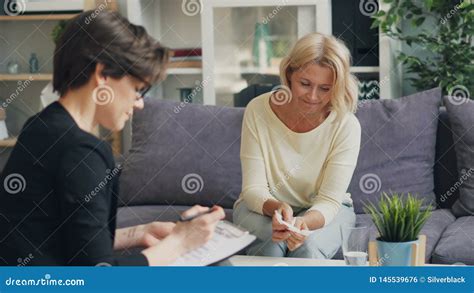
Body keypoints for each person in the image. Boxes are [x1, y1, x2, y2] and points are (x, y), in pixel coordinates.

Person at [0, 10, 224, 266]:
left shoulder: (41, 125)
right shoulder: (82, 152)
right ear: (103, 74)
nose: (139, 104)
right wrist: (180, 243)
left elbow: (53, 238)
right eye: (138, 89)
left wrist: (139, 232)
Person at [233, 33, 361, 259]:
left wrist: (302, 222)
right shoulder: (258, 110)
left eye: (325, 88)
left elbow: (329, 201)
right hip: (263, 207)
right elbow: (252, 190)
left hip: (325, 211)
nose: (313, 96)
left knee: (306, 247)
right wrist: (277, 208)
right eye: (305, 84)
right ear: (289, 73)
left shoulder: (346, 124)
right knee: (272, 245)